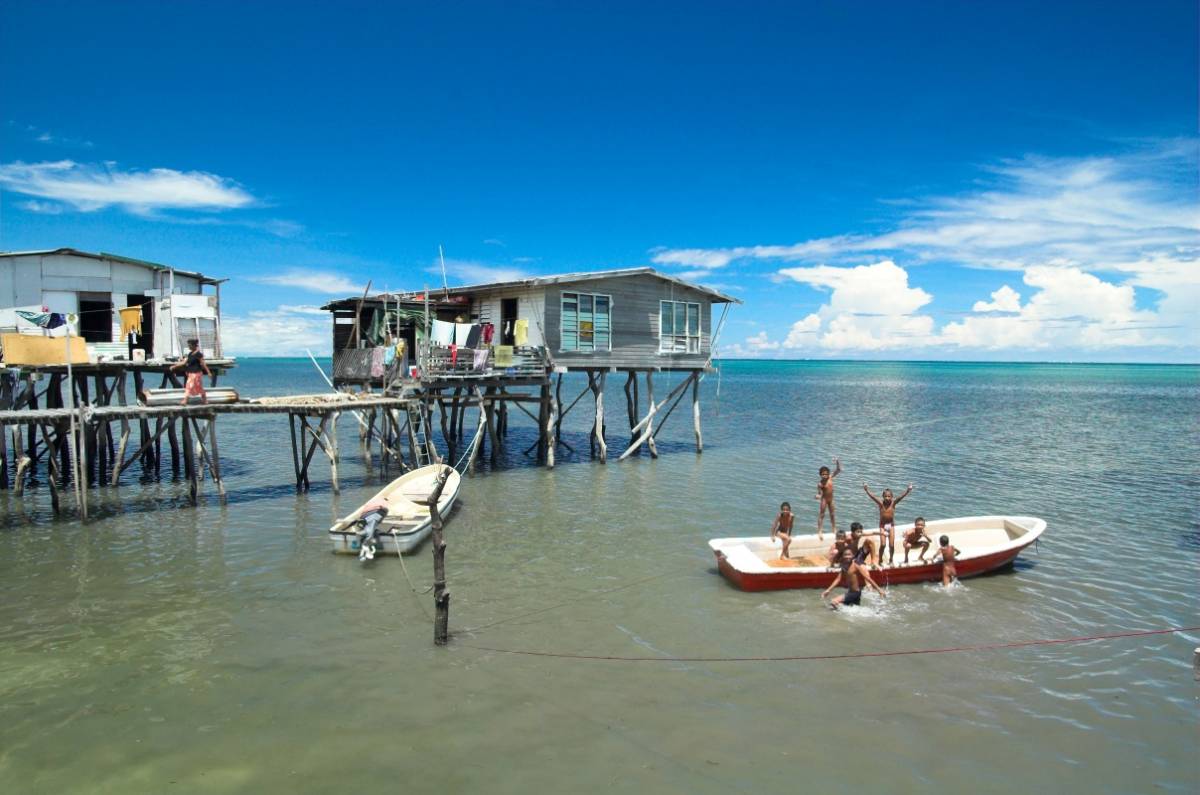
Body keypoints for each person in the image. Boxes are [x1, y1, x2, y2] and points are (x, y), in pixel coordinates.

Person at [863, 482, 913, 566]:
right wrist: (866, 490)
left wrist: (908, 491)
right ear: (883, 497)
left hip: (891, 526)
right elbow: (873, 497)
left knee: (891, 545)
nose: (887, 498)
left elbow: (901, 497)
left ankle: (890, 559)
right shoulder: (881, 504)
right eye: (885, 496)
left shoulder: (893, 503)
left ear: (892, 497)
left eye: (889, 496)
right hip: (882, 526)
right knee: (883, 545)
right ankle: (880, 560)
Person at [822, 547, 886, 608]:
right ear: (843, 556)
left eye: (849, 555)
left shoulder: (856, 566)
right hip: (851, 592)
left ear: (853, 556)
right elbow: (838, 579)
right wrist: (828, 590)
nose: (847, 556)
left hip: (855, 593)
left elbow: (868, 578)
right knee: (852, 610)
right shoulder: (844, 566)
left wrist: (879, 590)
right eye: (845, 555)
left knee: (834, 602)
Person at [171, 338, 211, 405]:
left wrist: (208, 372)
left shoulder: (198, 354)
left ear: (194, 345)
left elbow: (203, 364)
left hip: (196, 374)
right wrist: (175, 366)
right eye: (188, 345)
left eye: (190, 345)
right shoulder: (190, 354)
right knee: (196, 387)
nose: (189, 346)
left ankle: (185, 401)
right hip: (191, 373)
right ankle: (205, 401)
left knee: (189, 386)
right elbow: (184, 362)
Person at [814, 458, 842, 541]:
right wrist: (817, 496)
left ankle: (834, 528)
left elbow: (838, 470)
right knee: (821, 515)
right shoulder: (820, 484)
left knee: (832, 514)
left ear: (828, 473)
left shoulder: (830, 477)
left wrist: (837, 461)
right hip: (824, 500)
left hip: (831, 499)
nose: (825, 475)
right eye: (823, 474)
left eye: (826, 474)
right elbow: (820, 493)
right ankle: (819, 531)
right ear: (820, 475)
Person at [356, 495, 390, 561]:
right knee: (370, 532)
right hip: (374, 514)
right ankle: (365, 544)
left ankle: (361, 534)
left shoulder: (372, 502)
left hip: (363, 516)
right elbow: (384, 508)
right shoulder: (383, 502)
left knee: (369, 529)